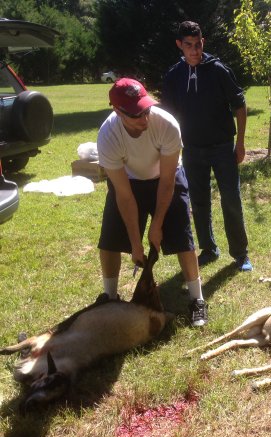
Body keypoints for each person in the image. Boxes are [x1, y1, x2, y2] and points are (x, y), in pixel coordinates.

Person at [96, 77, 207, 327]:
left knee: (182, 238)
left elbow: (167, 182)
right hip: (129, 182)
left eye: (146, 109)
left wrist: (156, 225)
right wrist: (136, 244)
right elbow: (124, 195)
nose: (144, 118)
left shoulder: (167, 124)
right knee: (110, 239)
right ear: (117, 111)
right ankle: (109, 297)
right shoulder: (108, 136)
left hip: (165, 178)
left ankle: (197, 299)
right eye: (136, 114)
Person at [161, 20, 252, 272]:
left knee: (231, 199)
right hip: (191, 149)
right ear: (179, 45)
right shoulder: (174, 76)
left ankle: (240, 253)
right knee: (199, 202)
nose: (195, 50)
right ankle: (209, 248)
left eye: (198, 44)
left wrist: (240, 143)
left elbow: (240, 105)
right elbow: (167, 116)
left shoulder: (218, 70)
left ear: (203, 42)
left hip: (222, 147)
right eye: (189, 45)